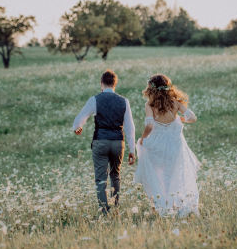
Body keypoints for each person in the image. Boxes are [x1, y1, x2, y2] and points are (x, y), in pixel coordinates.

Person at [133, 74, 201, 216]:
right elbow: (193, 118)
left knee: (158, 175)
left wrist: (142, 139)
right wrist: (180, 118)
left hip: (157, 146)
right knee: (174, 173)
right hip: (175, 146)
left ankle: (162, 204)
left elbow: (150, 125)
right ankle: (175, 204)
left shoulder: (150, 104)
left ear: (152, 88)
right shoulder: (176, 103)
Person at [72, 69, 136, 214]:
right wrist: (132, 150)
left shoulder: (95, 99)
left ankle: (104, 210)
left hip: (100, 141)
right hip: (118, 142)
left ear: (101, 83)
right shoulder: (124, 101)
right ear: (115, 84)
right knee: (115, 175)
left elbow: (79, 120)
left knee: (101, 178)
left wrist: (77, 128)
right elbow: (130, 127)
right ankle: (116, 207)